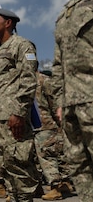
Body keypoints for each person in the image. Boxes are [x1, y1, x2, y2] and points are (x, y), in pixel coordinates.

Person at [0, 8, 39, 201]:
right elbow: (6, 85)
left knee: (19, 167)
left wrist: (20, 112)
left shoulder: (22, 45)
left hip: (11, 118)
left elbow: (29, 79)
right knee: (5, 168)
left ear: (8, 23)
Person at [51, 0, 93, 201]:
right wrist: (60, 101)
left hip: (90, 95)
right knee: (79, 165)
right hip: (71, 103)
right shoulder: (66, 11)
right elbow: (58, 63)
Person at [34, 70, 73, 200]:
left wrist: (59, 121)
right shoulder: (24, 81)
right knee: (38, 158)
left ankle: (56, 188)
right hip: (34, 126)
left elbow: (55, 103)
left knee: (48, 156)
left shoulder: (44, 80)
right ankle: (43, 187)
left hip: (47, 124)